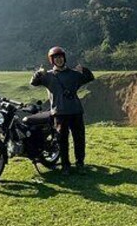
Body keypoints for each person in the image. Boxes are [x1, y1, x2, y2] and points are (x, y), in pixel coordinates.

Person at [30, 46, 94, 174]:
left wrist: (83, 69)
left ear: (64, 58)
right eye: (56, 58)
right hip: (59, 113)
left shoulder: (74, 74)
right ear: (52, 60)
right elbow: (33, 82)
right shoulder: (48, 76)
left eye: (61, 57)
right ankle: (66, 165)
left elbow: (89, 77)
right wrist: (38, 73)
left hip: (75, 111)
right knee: (62, 140)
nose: (59, 60)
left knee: (79, 138)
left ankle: (80, 163)